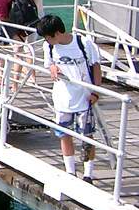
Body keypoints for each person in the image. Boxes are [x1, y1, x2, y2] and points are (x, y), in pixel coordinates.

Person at [36, 14, 102, 182]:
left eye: (48, 37)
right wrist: (51, 67)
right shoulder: (48, 47)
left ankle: (88, 174)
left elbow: (96, 67)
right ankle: (70, 171)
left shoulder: (83, 43)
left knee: (87, 136)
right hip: (62, 98)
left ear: (57, 33)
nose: (47, 40)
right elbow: (49, 63)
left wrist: (95, 92)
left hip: (84, 97)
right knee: (64, 134)